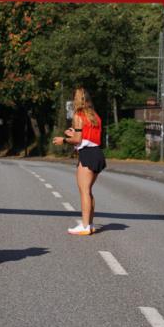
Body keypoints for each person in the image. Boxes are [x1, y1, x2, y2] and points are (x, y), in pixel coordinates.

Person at [53, 87, 106, 235]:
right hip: (98, 154)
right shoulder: (94, 116)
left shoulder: (78, 115)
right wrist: (73, 134)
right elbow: (85, 136)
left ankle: (84, 226)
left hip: (87, 155)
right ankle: (89, 224)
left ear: (76, 100)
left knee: (84, 191)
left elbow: (77, 139)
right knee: (89, 191)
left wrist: (63, 139)